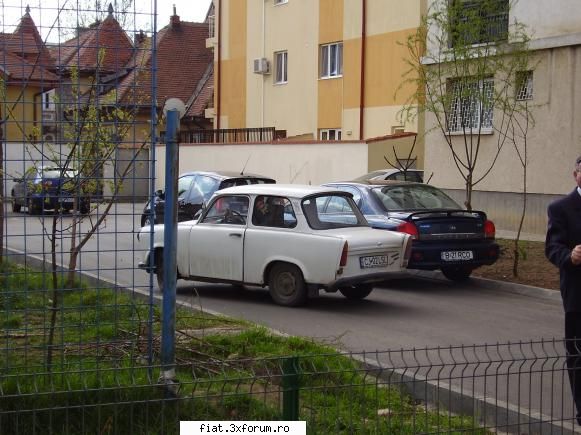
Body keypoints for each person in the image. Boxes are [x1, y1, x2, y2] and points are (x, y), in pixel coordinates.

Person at [545, 155, 581, 425]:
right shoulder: (561, 208)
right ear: (576, 175)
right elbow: (552, 247)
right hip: (577, 295)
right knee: (578, 354)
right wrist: (570, 256)